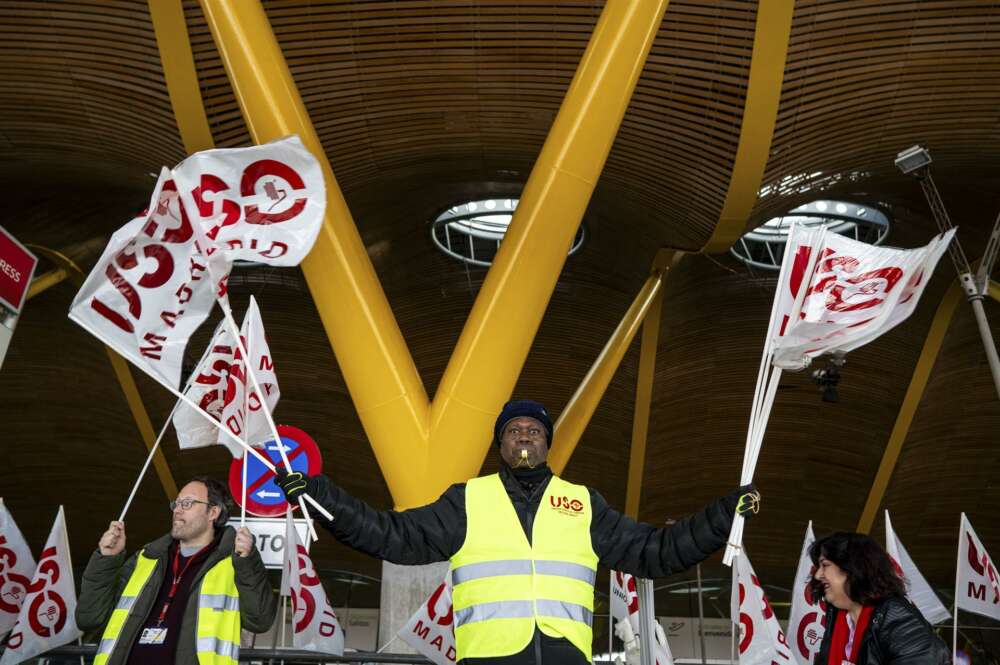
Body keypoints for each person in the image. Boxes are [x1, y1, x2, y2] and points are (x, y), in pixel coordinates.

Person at [276, 399, 760, 665]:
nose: (524, 434)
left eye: (534, 429)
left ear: (547, 443)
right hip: (489, 660)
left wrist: (721, 517)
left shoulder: (583, 502)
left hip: (566, 660)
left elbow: (655, 552)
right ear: (501, 445)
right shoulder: (466, 499)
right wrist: (321, 497)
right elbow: (390, 534)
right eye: (513, 429)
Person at [76, 476, 277, 665]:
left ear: (213, 513)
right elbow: (90, 618)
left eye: (187, 503)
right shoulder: (146, 558)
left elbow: (260, 621)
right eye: (177, 503)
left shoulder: (236, 563)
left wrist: (248, 562)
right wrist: (107, 559)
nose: (178, 510)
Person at [810, 532, 951, 665]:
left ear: (852, 568)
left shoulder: (896, 616)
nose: (818, 575)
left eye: (825, 565)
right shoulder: (837, 617)